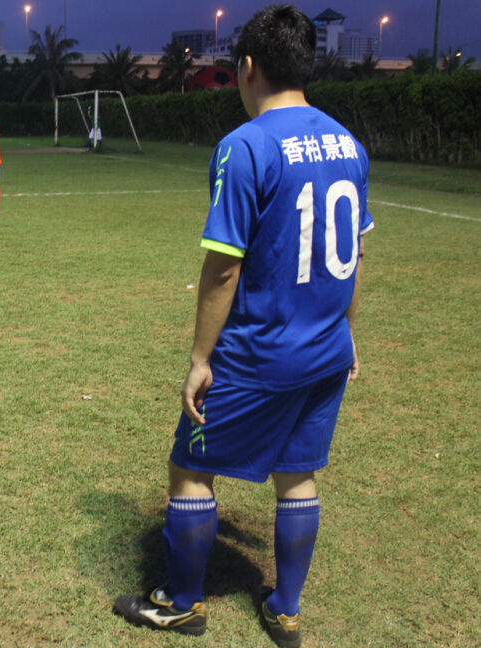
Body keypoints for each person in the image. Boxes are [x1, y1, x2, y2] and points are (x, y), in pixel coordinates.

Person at [113, 6, 374, 647]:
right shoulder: (349, 144)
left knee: (189, 469)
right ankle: (286, 610)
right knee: (297, 474)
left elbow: (224, 268)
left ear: (248, 66)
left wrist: (200, 359)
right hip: (327, 351)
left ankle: (182, 604)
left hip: (260, 354)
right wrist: (347, 334)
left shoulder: (245, 146)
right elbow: (356, 254)